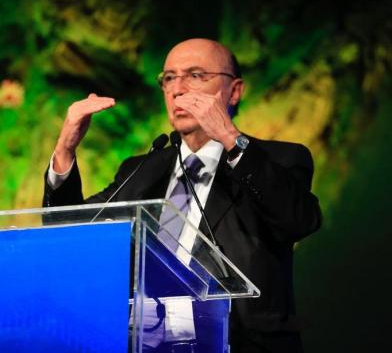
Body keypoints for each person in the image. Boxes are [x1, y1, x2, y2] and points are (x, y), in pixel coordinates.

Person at [43, 38, 321, 352]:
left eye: (196, 76)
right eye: (169, 78)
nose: (178, 89)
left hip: (241, 344)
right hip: (147, 342)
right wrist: (64, 151)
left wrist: (230, 136)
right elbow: (68, 231)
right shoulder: (142, 169)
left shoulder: (280, 160)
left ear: (235, 90)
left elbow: (300, 220)